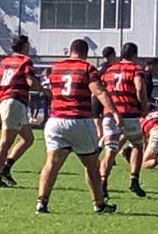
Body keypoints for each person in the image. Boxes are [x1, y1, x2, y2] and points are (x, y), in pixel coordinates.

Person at [35, 39, 119, 215]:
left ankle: (41, 202)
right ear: (85, 53)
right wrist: (114, 112)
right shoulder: (87, 68)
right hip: (79, 119)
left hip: (55, 120)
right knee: (92, 164)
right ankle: (99, 204)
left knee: (51, 163)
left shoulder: (55, 68)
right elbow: (99, 91)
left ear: (70, 51)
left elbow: (51, 88)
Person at [99, 42, 150, 198]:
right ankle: (134, 179)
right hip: (129, 113)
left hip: (110, 114)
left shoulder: (109, 70)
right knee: (137, 145)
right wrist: (144, 105)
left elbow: (101, 90)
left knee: (110, 150)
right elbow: (139, 88)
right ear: (135, 55)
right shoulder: (135, 69)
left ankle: (103, 182)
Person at [0, 36, 37, 188]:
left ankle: (6, 167)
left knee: (28, 138)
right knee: (5, 141)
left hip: (8, 101)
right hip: (15, 101)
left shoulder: (4, 61)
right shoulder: (25, 61)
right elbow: (30, 81)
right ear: (24, 46)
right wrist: (44, 89)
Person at [92, 46, 118, 139]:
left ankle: (99, 140)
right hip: (103, 96)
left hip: (95, 96)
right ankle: (102, 141)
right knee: (106, 122)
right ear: (112, 55)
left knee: (98, 122)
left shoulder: (100, 67)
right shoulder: (110, 68)